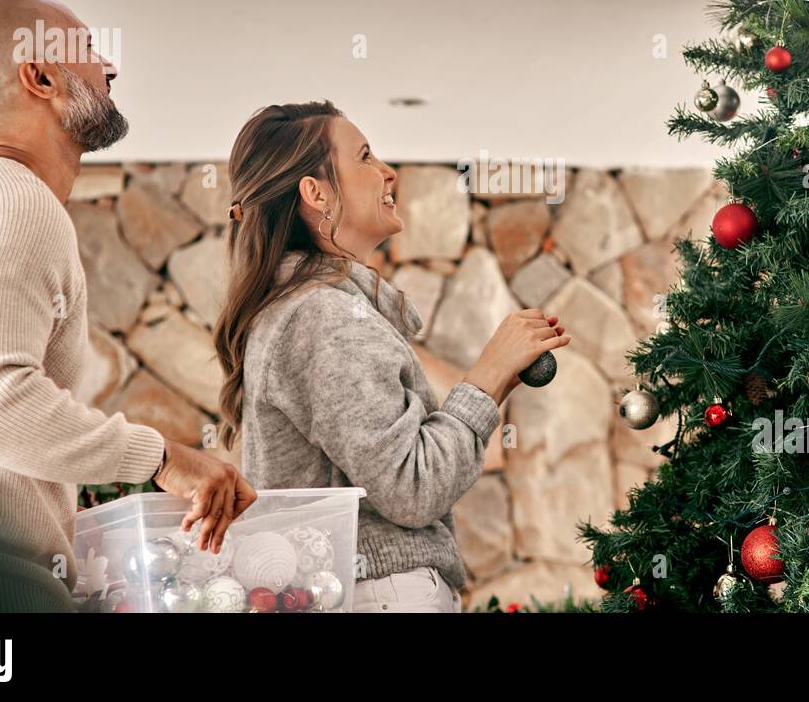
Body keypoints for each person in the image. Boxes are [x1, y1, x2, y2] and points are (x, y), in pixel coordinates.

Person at [0, 0, 256, 611]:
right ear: (41, 76)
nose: (110, 68)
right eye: (89, 53)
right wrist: (163, 458)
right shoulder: (16, 202)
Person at [213, 102, 570, 612]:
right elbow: (411, 488)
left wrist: (498, 384)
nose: (389, 172)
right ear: (317, 193)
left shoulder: (306, 310)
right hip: (382, 595)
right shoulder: (323, 315)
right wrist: (486, 377)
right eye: (364, 156)